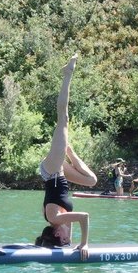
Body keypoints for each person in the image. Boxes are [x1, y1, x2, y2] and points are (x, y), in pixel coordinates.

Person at [39, 53, 97, 261]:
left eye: (63, 239)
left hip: (51, 171)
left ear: (56, 233)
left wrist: (86, 243)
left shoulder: (56, 218)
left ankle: (67, 74)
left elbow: (84, 216)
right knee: (92, 181)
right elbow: (70, 235)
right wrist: (73, 246)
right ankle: (70, 152)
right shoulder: (63, 224)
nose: (67, 238)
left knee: (63, 118)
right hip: (61, 173)